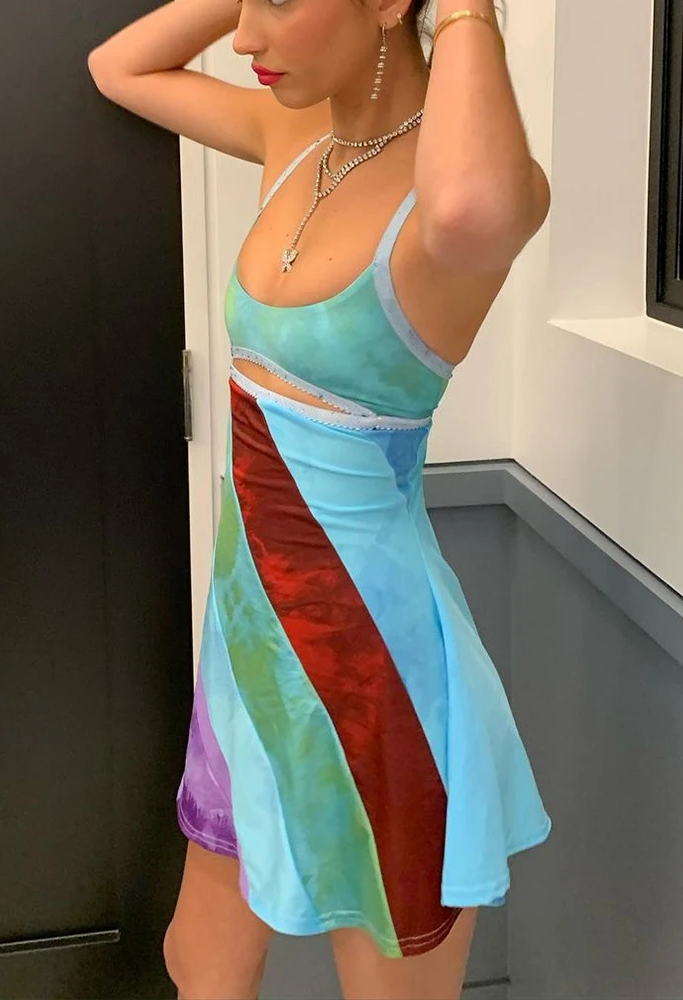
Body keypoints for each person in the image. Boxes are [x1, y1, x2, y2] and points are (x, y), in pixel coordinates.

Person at [88, 0, 552, 996]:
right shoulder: (294, 136)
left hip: (379, 677)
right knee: (199, 964)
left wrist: (464, 8)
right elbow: (118, 67)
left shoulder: (465, 194)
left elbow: (470, 213)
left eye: (278, 1)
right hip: (249, 657)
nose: (243, 37)